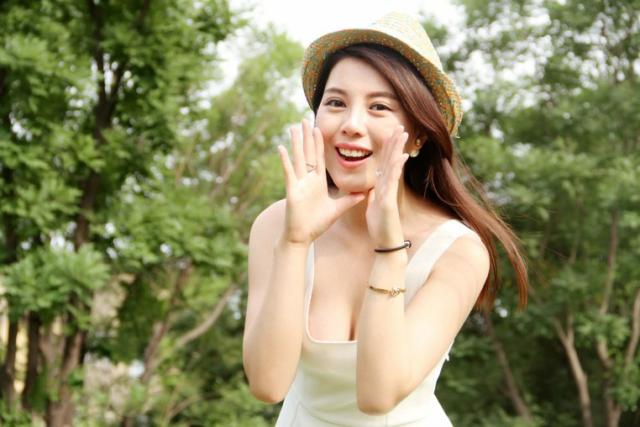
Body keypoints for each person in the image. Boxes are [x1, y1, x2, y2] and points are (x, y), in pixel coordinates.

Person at [242, 11, 528, 426]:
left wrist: (389, 251)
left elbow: (378, 396)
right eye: (336, 103)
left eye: (379, 107)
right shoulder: (276, 224)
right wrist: (294, 242)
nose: (351, 125)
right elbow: (267, 384)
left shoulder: (458, 251)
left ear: (418, 135)